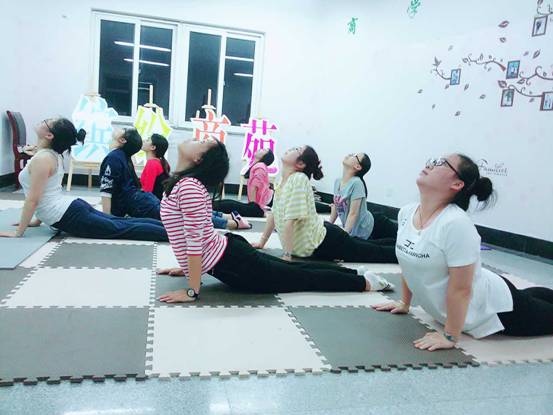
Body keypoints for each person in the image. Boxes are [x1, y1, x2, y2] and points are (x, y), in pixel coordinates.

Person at [157, 139, 393, 303]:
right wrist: (189, 267)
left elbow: (195, 240)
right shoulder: (183, 184)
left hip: (235, 262)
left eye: (200, 141)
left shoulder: (189, 187)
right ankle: (357, 275)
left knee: (302, 277)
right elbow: (194, 235)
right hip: (229, 254)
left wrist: (192, 290)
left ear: (198, 158)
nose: (195, 139)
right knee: (296, 271)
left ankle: (364, 282)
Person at [373, 155, 553, 351]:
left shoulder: (456, 224)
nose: (430, 164)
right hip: (482, 288)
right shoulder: (407, 212)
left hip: (495, 311)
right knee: (535, 296)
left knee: (536, 307)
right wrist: (404, 303)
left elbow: (462, 289)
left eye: (441, 163)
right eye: (434, 160)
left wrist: (450, 337)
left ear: (457, 184)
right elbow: (408, 262)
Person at [0, 117, 167, 241]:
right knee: (120, 223)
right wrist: (37, 220)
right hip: (69, 208)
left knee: (120, 227)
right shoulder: (50, 155)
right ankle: (173, 230)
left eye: (47, 122)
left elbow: (33, 200)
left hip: (67, 213)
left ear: (50, 135)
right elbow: (47, 192)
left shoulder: (43, 158)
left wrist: (19, 232)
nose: (44, 121)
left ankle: (173, 235)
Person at [252, 146, 398, 265]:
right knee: (366, 246)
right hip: (323, 234)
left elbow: (291, 220)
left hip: (327, 240)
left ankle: (401, 250)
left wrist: (287, 255)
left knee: (373, 252)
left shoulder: (298, 180)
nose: (291, 149)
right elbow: (274, 214)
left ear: (300, 164)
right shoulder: (281, 182)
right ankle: (395, 244)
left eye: (297, 150)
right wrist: (262, 242)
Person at [100, 128, 162, 220]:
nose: (121, 128)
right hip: (145, 202)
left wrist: (107, 220)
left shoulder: (114, 157)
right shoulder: (123, 157)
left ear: (122, 140)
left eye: (124, 129)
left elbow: (106, 191)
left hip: (143, 205)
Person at [212, 148, 274, 217]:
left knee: (229, 205)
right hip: (261, 203)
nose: (260, 149)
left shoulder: (260, 166)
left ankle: (210, 205)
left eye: (264, 150)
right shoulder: (258, 165)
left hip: (262, 203)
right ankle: (210, 205)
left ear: (266, 156)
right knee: (228, 203)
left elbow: (255, 186)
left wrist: (252, 206)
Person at [329, 152, 374, 239]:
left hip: (364, 229)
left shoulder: (357, 183)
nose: (350, 154)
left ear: (358, 167)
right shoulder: (337, 181)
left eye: (355, 155)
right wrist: (328, 225)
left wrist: (344, 236)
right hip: (351, 227)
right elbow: (336, 206)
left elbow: (353, 213)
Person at [140, 133, 170, 200]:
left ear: (153, 147)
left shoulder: (152, 164)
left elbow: (147, 191)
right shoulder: (162, 162)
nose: (144, 140)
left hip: (151, 203)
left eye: (147, 140)